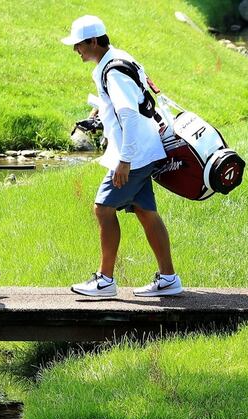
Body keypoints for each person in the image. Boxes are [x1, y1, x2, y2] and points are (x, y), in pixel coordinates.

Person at [62, 15, 184, 298]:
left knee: (103, 209)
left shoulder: (113, 72)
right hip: (145, 147)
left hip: (135, 154)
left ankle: (105, 281)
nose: (75, 50)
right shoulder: (117, 58)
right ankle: (168, 278)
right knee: (145, 212)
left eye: (78, 45)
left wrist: (125, 161)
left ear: (93, 42)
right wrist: (99, 112)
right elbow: (132, 101)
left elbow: (128, 114)